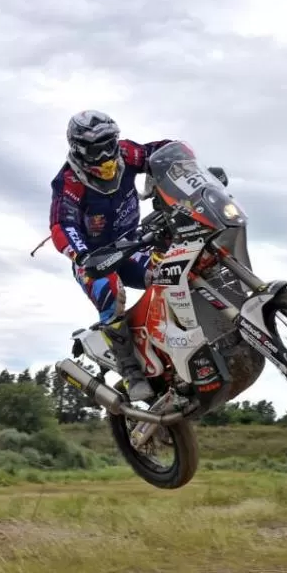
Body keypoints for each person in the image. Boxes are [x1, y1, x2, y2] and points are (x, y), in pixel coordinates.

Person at [47, 110, 172, 402]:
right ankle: (131, 370)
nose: (105, 153)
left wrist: (184, 161)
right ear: (78, 149)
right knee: (110, 291)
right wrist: (80, 256)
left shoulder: (127, 153)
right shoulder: (68, 181)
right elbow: (61, 225)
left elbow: (160, 152)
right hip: (95, 257)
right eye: (95, 147)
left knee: (171, 268)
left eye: (108, 142)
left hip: (133, 244)